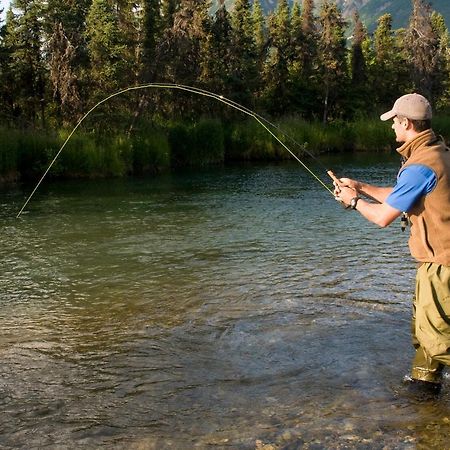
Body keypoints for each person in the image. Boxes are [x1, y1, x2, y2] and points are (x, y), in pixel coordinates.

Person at [334, 93, 450, 396]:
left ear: (408, 123)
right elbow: (402, 195)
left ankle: (426, 382)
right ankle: (424, 385)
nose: (392, 127)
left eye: (395, 122)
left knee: (437, 336)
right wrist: (361, 186)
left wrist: (354, 201)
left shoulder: (420, 165)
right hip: (442, 261)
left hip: (442, 265)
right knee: (427, 331)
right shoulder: (438, 152)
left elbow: (383, 217)